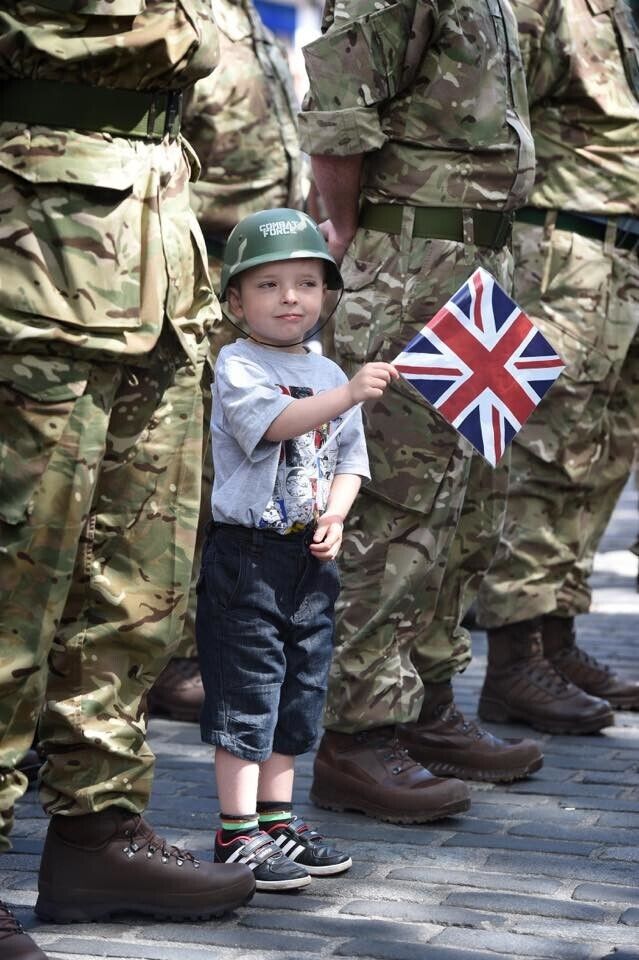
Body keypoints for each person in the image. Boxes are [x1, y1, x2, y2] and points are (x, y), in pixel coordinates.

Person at [0, 4, 256, 958]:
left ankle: (97, 834)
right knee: (15, 580)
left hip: (157, 253)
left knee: (139, 580)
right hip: (32, 258)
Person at [296, 0, 545, 825]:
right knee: (397, 512)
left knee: (469, 508)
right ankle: (357, 737)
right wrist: (344, 229)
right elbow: (339, 109)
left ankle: (426, 705)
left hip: (483, 265)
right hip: (412, 263)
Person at [196, 207, 397, 888]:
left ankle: (276, 821)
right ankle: (236, 832)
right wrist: (348, 393)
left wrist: (335, 514)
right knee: (246, 690)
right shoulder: (237, 364)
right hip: (248, 557)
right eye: (268, 285)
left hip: (309, 560)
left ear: (325, 294)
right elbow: (278, 423)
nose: (290, 298)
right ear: (235, 301)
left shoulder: (327, 368)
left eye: (307, 284)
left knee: (298, 691)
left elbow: (350, 460)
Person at [476, 0, 639, 731]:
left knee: (602, 456)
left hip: (621, 255)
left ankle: (555, 639)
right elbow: (494, 114)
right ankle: (514, 661)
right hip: (562, 254)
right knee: (545, 453)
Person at [147, 0, 306, 722]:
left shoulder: (247, 15)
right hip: (200, 271)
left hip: (250, 282)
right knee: (193, 474)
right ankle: (171, 653)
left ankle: (213, 641)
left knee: (238, 469)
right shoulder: (185, 14)